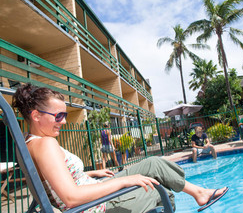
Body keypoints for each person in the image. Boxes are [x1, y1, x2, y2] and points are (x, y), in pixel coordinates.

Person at [12, 83, 228, 213]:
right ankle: (198, 193)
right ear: (36, 115)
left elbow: (53, 179)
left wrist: (91, 172)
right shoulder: (46, 144)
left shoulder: (30, 142)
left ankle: (199, 193)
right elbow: (71, 198)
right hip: (96, 206)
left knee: (153, 163)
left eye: (65, 115)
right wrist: (124, 181)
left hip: (93, 190)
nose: (64, 121)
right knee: (160, 192)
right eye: (59, 116)